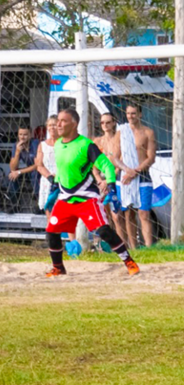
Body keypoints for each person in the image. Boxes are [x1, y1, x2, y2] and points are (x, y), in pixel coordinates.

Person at [45, 108, 139, 277]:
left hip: (86, 197)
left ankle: (128, 261)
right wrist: (55, 185)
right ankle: (58, 267)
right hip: (65, 198)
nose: (58, 124)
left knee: (103, 231)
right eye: (58, 120)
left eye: (63, 121)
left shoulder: (86, 145)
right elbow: (63, 169)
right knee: (51, 231)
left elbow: (107, 165)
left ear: (74, 124)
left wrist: (111, 185)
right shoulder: (58, 144)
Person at [118, 104, 156, 248]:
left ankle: (148, 246)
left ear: (140, 114)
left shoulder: (148, 132)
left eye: (133, 113)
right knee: (129, 213)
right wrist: (127, 170)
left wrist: (136, 171)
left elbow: (151, 157)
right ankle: (133, 247)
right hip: (126, 176)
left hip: (143, 176)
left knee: (144, 213)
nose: (130, 116)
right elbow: (114, 156)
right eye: (128, 113)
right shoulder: (122, 132)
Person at [94, 111, 130, 245]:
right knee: (104, 216)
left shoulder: (119, 138)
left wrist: (110, 178)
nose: (105, 125)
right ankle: (107, 246)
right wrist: (99, 180)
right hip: (101, 180)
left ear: (114, 122)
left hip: (115, 177)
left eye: (108, 122)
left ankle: (123, 244)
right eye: (102, 122)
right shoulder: (98, 141)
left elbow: (120, 161)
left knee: (117, 215)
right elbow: (94, 165)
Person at [5, 126, 39, 210]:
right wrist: (17, 152)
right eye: (20, 134)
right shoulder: (16, 145)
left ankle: (39, 203)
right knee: (11, 174)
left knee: (35, 174)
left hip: (39, 170)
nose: (22, 137)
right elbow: (13, 167)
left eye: (25, 134)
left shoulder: (35, 144)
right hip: (27, 170)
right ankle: (14, 204)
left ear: (30, 135)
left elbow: (37, 165)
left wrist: (19, 172)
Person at [34, 115, 59, 216]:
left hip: (62, 179)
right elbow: (39, 165)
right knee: (49, 214)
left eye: (55, 125)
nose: (52, 127)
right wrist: (49, 177)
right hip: (47, 180)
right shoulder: (42, 145)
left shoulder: (65, 143)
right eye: (50, 125)